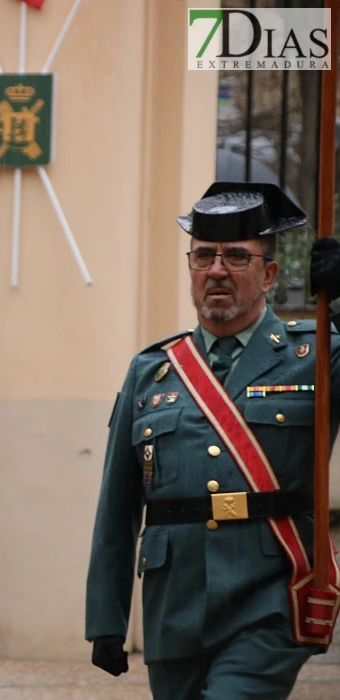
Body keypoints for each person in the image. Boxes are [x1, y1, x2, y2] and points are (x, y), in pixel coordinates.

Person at [85, 181, 340, 699]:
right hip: (174, 605)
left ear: (269, 274)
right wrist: (106, 616)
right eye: (204, 256)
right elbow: (117, 503)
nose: (216, 271)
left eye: (236, 258)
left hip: (269, 599)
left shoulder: (314, 354)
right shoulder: (152, 370)